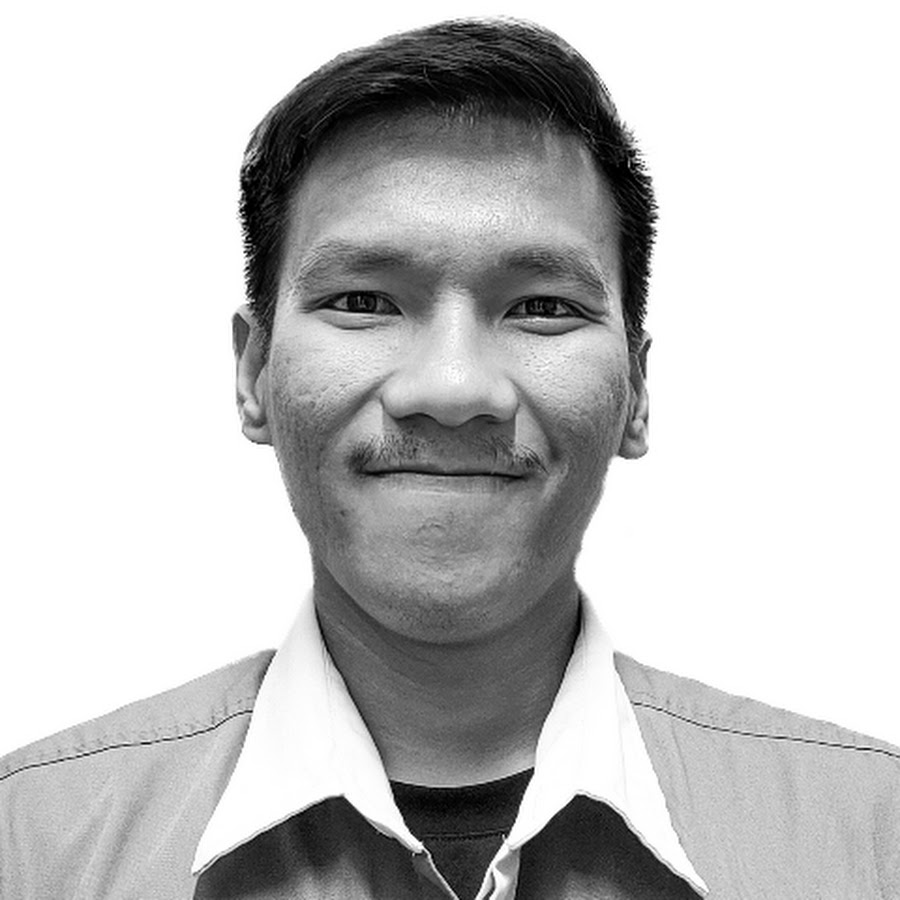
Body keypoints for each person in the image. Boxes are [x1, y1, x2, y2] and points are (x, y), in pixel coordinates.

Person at [0, 17, 897, 900]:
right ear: (253, 373)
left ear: (636, 389)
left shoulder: (871, 837)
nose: (454, 386)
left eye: (542, 307)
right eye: (363, 300)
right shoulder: (32, 843)